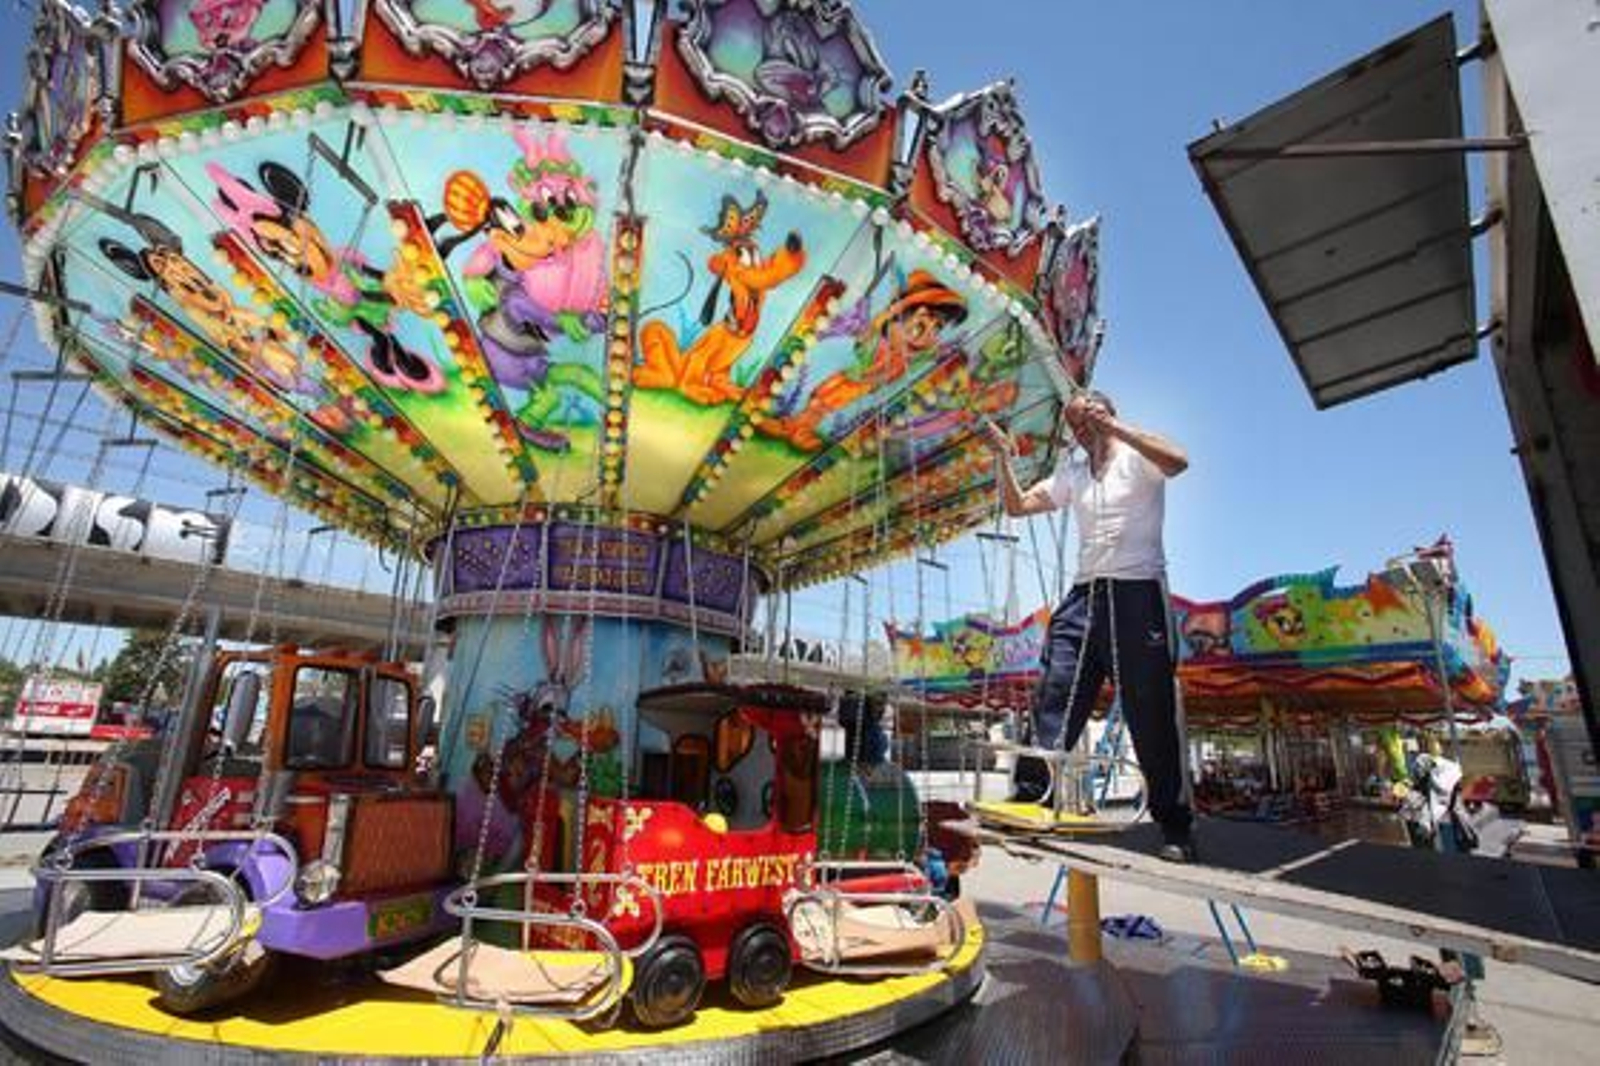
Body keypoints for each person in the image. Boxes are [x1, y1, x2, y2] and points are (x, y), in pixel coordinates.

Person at [983, 390, 1196, 862]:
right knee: (1054, 689)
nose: (1082, 433)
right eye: (1075, 426)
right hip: (1086, 594)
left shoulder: (1137, 459)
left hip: (1138, 589)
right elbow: (1019, 507)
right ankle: (1031, 800)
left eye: (1088, 421)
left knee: (1150, 709)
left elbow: (1179, 461)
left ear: (1109, 414)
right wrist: (1003, 459)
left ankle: (1175, 825)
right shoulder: (1075, 474)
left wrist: (1115, 429)